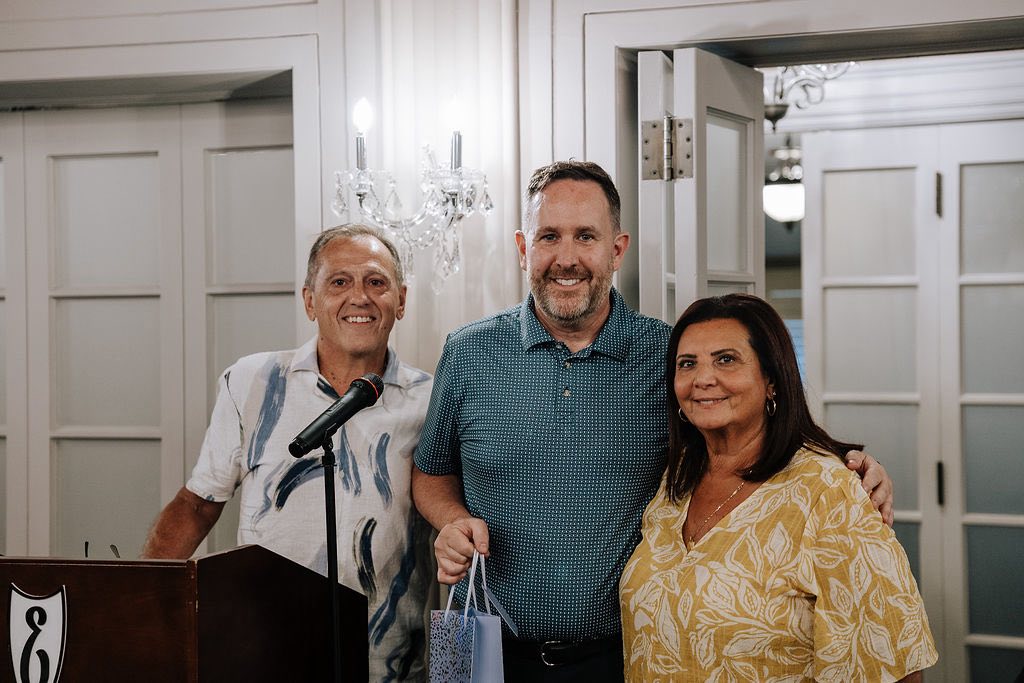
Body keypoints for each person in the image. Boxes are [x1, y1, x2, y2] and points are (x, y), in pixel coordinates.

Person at [412, 160, 893, 681]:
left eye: (586, 236)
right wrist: (451, 520)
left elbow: (747, 436)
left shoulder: (670, 357)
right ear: (524, 248)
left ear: (617, 250)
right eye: (549, 236)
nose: (566, 258)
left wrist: (844, 468)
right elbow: (431, 472)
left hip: (626, 658)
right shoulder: (468, 352)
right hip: (482, 649)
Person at [141, 224, 435, 682]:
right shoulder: (252, 381)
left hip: (384, 662)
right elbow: (198, 505)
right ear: (310, 301)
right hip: (263, 654)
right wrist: (142, 604)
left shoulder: (431, 400)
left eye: (376, 282)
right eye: (339, 282)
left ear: (400, 300)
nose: (359, 297)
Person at [619, 293, 936, 681]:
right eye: (687, 364)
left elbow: (893, 664)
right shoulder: (677, 477)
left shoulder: (829, 492)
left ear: (771, 380)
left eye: (725, 359)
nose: (702, 379)